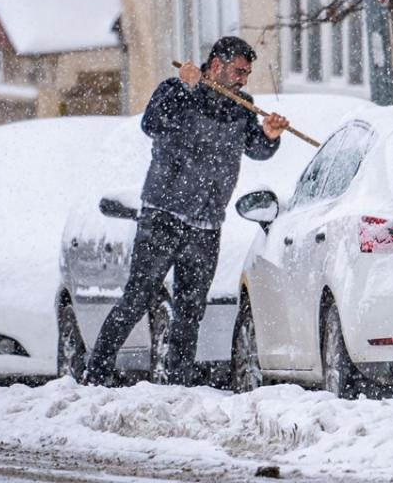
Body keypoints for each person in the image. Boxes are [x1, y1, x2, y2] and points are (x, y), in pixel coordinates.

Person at [82, 36, 289, 386]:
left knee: (191, 310)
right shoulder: (175, 90)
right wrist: (186, 89)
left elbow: (255, 149)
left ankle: (179, 385)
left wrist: (269, 136)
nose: (243, 79)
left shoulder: (241, 105)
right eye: (239, 71)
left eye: (248, 73)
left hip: (207, 222)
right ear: (218, 65)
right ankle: (96, 373)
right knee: (138, 298)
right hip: (163, 213)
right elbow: (153, 124)